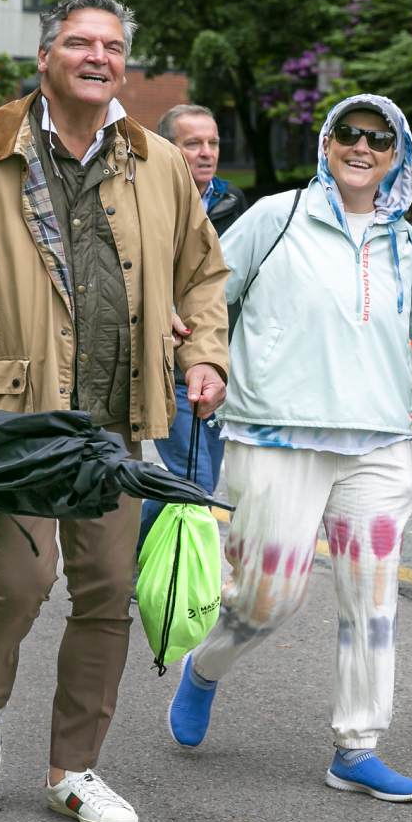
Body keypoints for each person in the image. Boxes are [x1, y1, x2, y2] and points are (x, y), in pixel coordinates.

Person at [0, 0, 230, 822]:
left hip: (115, 417)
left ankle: (73, 770)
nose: (97, 57)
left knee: (108, 590)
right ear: (45, 57)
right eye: (79, 43)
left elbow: (201, 276)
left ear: (125, 64)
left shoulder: (153, 160)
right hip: (14, 416)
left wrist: (203, 355)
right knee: (20, 580)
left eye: (112, 46)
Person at [165, 94, 412, 803]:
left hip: (376, 443)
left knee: (372, 601)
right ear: (326, 142)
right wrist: (205, 363)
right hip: (275, 434)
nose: (362, 146)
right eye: (349, 133)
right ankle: (205, 669)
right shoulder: (275, 218)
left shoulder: (404, 241)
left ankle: (356, 746)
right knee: (267, 599)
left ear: (395, 156)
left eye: (379, 139)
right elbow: (205, 299)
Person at [136, 104, 248, 551]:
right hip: (165, 363)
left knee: (198, 478)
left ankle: (143, 561)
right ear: (167, 148)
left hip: (215, 364)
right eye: (193, 143)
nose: (207, 153)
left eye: (214, 142)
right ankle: (129, 563)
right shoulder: (142, 198)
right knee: (193, 479)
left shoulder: (232, 202)